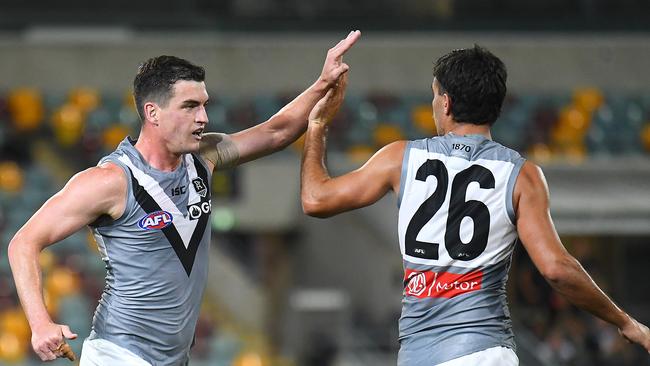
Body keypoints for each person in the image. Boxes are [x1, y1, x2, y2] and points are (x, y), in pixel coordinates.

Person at [8, 30, 361, 365]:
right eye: (190, 106)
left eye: (204, 105)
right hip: (120, 351)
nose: (203, 117)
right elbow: (23, 242)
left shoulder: (204, 157)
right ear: (152, 113)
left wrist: (323, 83)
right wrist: (40, 324)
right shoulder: (111, 181)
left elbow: (277, 131)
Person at [300, 45, 650, 365]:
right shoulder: (522, 175)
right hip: (484, 351)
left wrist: (317, 125)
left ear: (447, 103)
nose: (434, 104)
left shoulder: (400, 158)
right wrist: (624, 321)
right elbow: (556, 269)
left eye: (435, 96)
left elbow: (315, 199)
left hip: (419, 355)